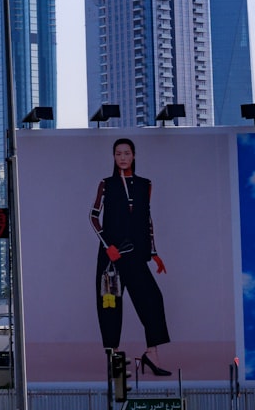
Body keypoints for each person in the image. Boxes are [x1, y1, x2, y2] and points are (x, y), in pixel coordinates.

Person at [90, 137, 171, 376]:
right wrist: (108, 246)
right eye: (118, 154)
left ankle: (151, 355)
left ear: (133, 155)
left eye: (126, 153)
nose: (122, 157)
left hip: (136, 255)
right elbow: (93, 217)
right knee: (110, 305)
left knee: (152, 300)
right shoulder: (106, 184)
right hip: (111, 259)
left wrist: (154, 253)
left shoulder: (146, 184)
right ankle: (113, 361)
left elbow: (147, 220)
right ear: (113, 157)